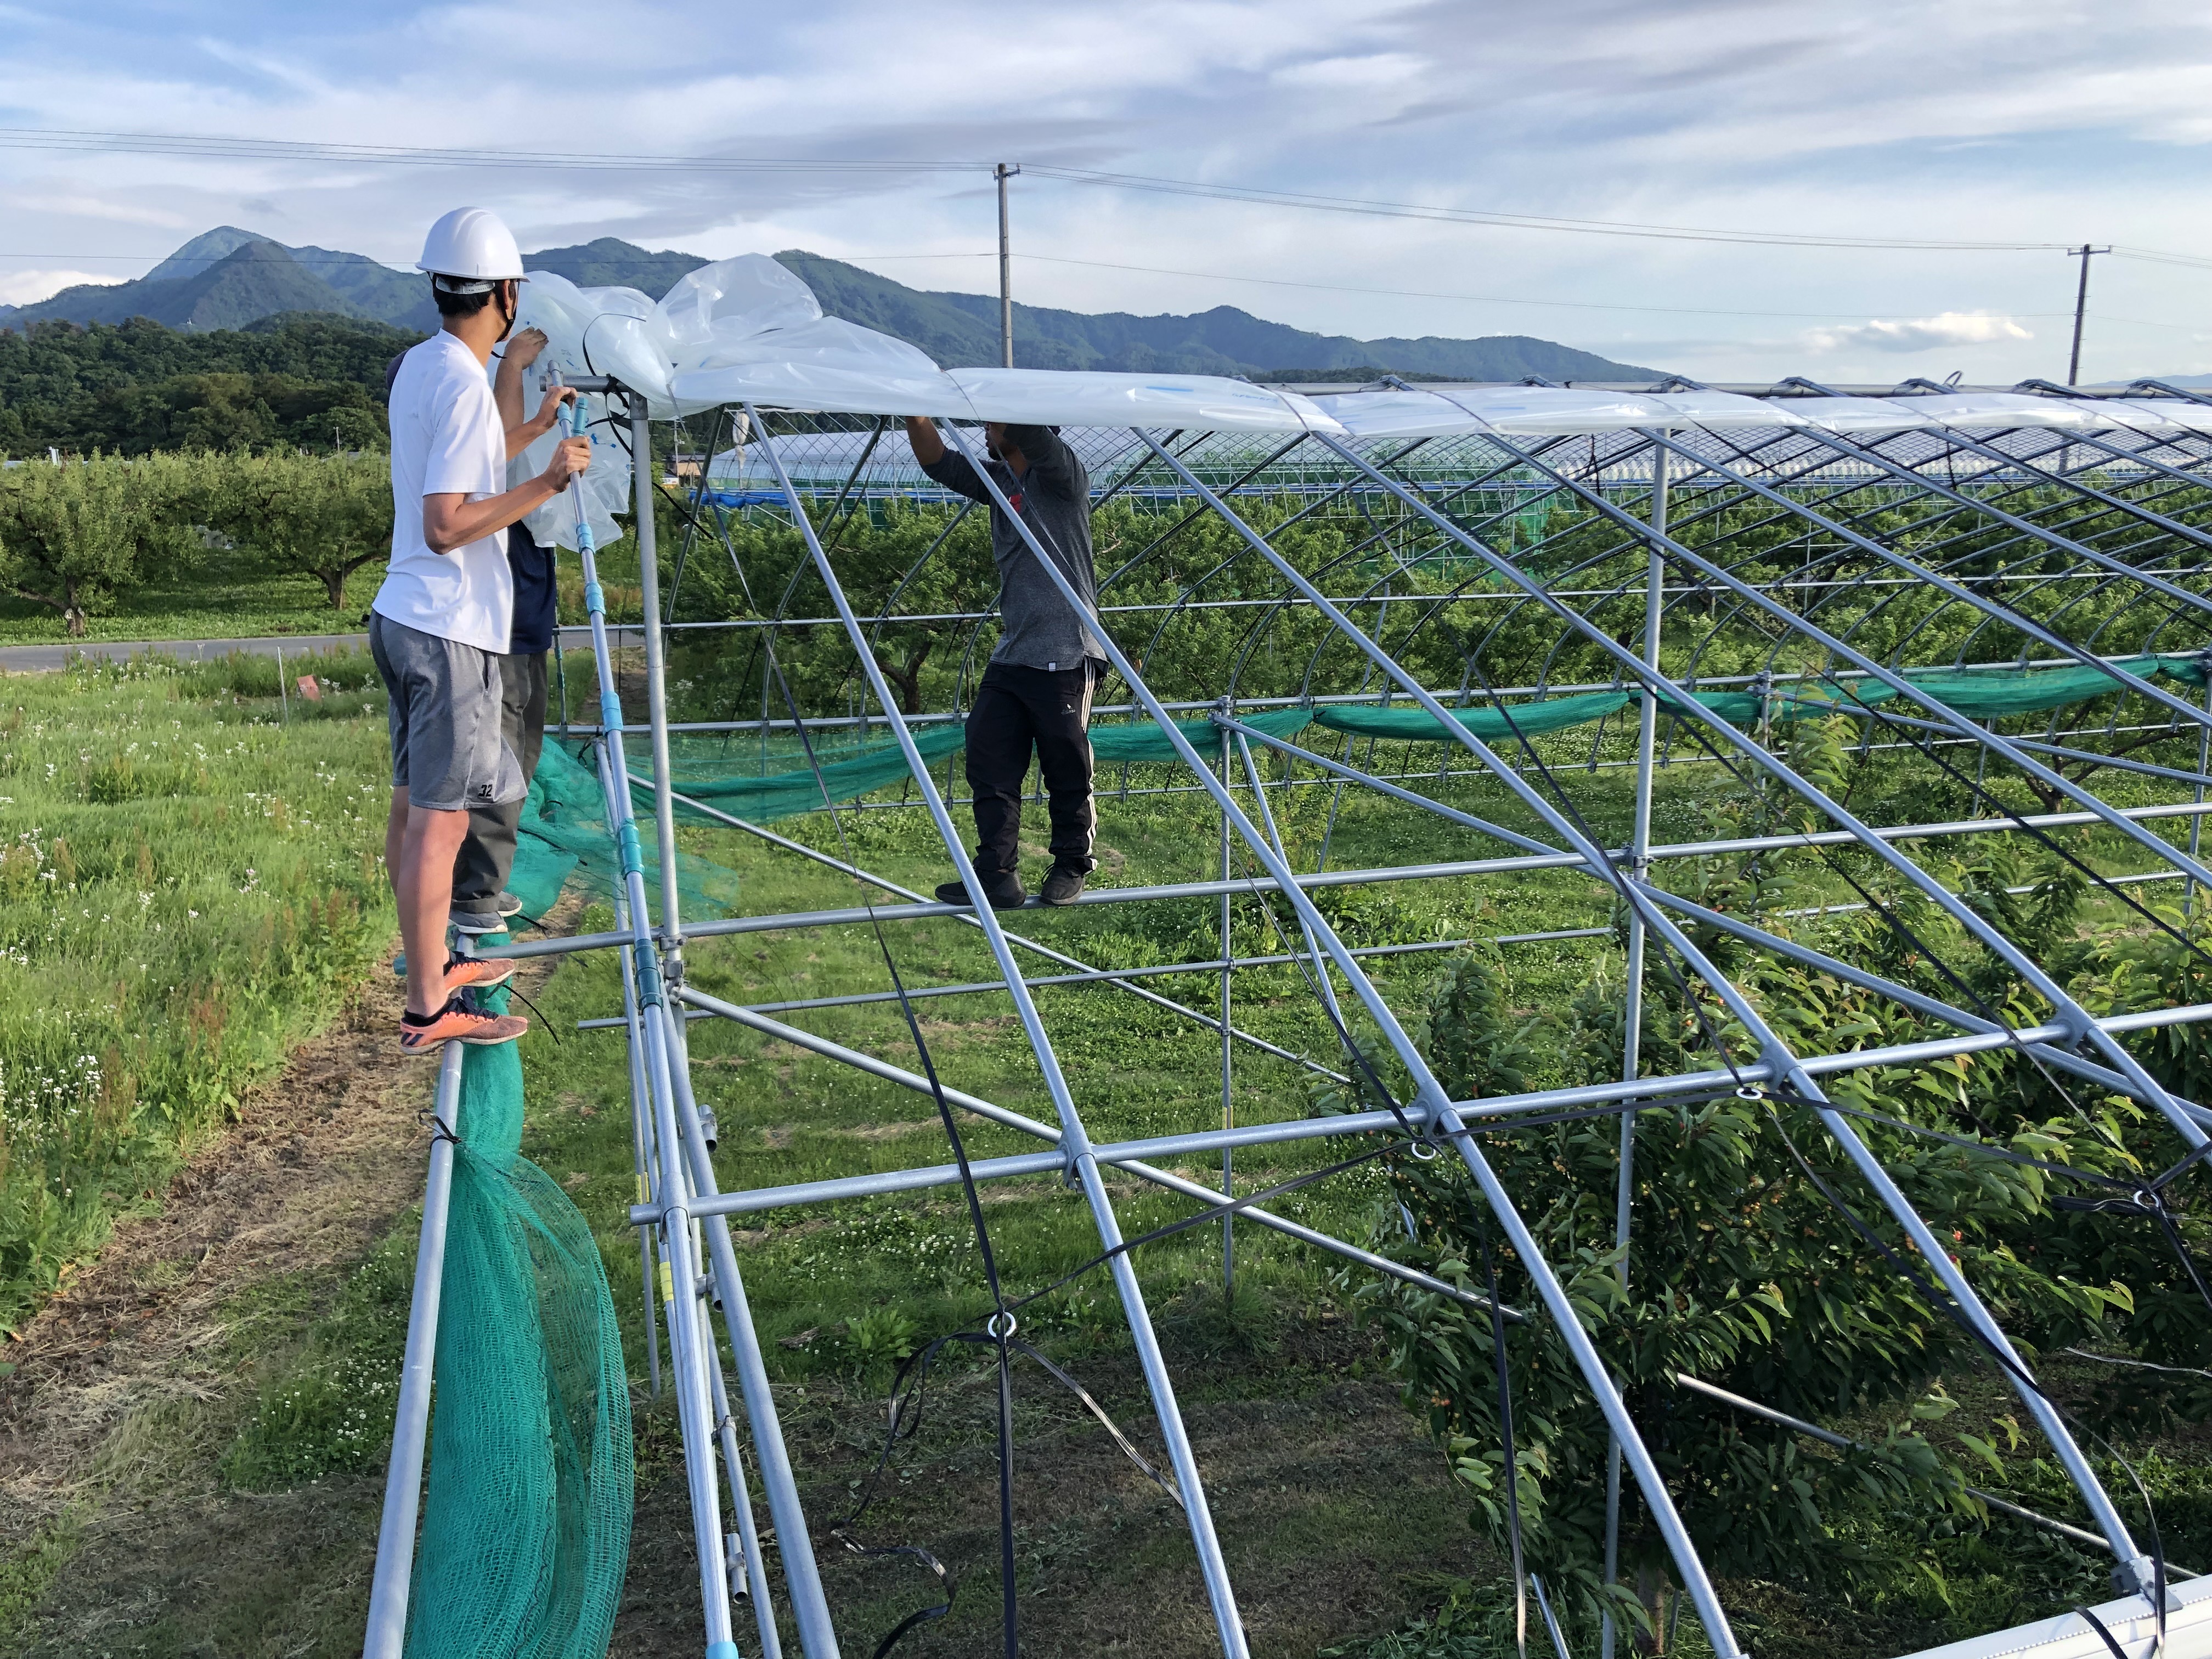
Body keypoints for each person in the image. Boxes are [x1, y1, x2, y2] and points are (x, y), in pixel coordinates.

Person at [371, 207, 589, 1054]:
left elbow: (460, 457)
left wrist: (530, 430)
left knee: (410, 808)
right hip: (448, 628)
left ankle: (430, 965)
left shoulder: (422, 367)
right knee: (443, 821)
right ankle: (430, 1005)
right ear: (503, 292)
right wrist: (547, 482)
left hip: (402, 615)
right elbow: (448, 521)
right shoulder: (462, 380)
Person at [905, 417, 1102, 910]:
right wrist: (915, 416)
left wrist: (1008, 406)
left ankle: (1072, 863)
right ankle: (996, 874)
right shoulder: (999, 483)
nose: (986, 431)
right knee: (989, 760)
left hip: (1065, 650)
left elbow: (1035, 438)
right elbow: (936, 461)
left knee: (1066, 762)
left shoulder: (1061, 477)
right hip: (1014, 652)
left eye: (994, 423)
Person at [448, 323, 561, 934]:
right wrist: (512, 368)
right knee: (502, 755)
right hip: (503, 629)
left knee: (523, 751)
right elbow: (501, 449)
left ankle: (486, 885)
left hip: (529, 622)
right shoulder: (491, 491)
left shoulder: (529, 508)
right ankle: (475, 896)